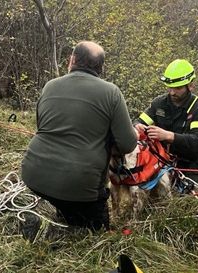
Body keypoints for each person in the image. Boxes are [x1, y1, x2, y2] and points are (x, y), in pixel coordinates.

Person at [21, 41, 137, 241]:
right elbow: (128, 144)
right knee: (96, 237)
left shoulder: (50, 86)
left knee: (64, 209)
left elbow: (41, 126)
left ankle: (46, 222)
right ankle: (58, 230)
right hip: (82, 189)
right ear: (101, 68)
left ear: (72, 60)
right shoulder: (111, 93)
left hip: (34, 177)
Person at [134, 59, 198, 191]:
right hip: (159, 161)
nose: (172, 92)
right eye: (170, 87)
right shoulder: (159, 103)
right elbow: (137, 122)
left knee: (190, 199)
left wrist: (168, 136)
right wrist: (137, 127)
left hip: (189, 164)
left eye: (178, 88)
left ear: (191, 85)